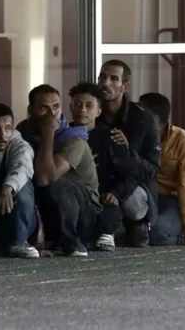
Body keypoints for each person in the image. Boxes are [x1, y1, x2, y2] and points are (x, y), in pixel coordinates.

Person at [18, 85, 109, 257]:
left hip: (85, 213)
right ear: (31, 110)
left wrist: (48, 132)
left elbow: (45, 178)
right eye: (44, 108)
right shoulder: (25, 130)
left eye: (56, 107)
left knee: (58, 184)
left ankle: (71, 242)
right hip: (51, 208)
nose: (51, 114)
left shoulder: (74, 139)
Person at [96, 60, 161, 247]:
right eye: (102, 77)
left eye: (113, 79)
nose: (105, 83)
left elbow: (151, 171)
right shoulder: (91, 112)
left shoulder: (142, 118)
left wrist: (127, 152)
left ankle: (136, 225)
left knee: (134, 203)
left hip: (133, 188)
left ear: (125, 86)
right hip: (100, 185)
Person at [138, 93, 185, 247]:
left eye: (140, 112)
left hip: (170, 199)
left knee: (157, 233)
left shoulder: (184, 142)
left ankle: (180, 233)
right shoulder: (136, 135)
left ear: (154, 118)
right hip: (143, 195)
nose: (135, 116)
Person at [0, 103, 38, 258]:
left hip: (11, 210)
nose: (3, 135)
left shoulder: (18, 143)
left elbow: (23, 164)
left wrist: (8, 187)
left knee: (23, 187)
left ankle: (19, 242)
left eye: (8, 128)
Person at [68, 82, 121, 251]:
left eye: (89, 105)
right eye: (77, 104)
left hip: (102, 195)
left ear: (98, 111)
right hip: (74, 193)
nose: (82, 109)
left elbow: (125, 172)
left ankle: (107, 233)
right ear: (70, 107)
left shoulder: (110, 137)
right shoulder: (63, 135)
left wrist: (115, 192)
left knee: (111, 210)